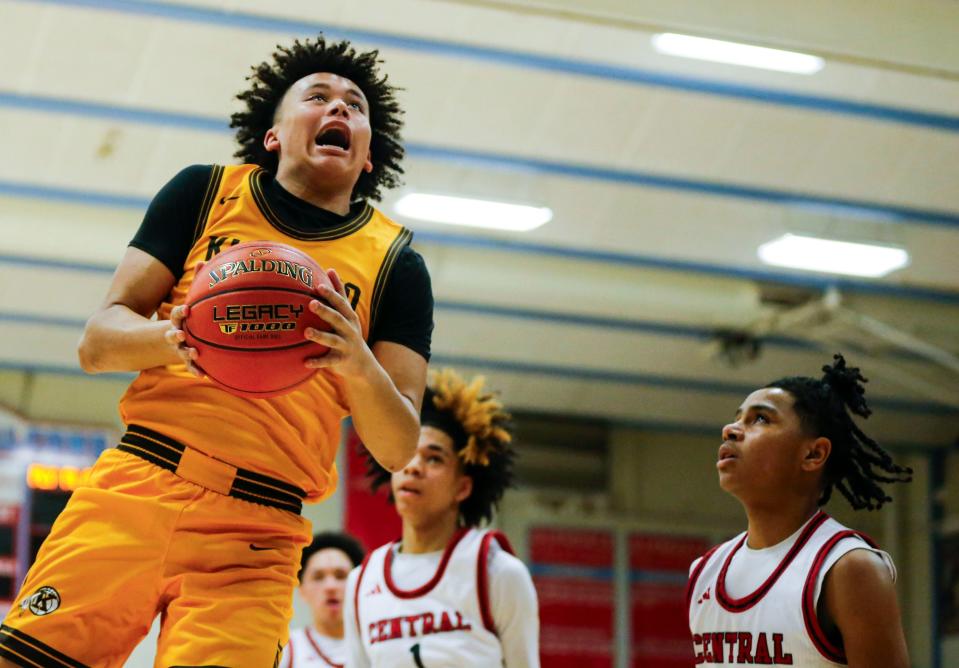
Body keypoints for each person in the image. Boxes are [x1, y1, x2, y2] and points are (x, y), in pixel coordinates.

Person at [0, 36, 432, 668]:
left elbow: (398, 447)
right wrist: (180, 340)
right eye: (317, 97)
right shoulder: (204, 193)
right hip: (139, 483)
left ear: (368, 157)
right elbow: (97, 343)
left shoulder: (398, 265)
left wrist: (358, 363)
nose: (339, 109)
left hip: (258, 529)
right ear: (274, 135)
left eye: (355, 106)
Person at [687, 354, 912, 667]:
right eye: (737, 418)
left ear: (813, 453)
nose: (731, 429)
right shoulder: (704, 572)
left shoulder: (848, 568)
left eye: (761, 419)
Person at [345, 369, 540, 667]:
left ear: (463, 487)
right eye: (408, 454)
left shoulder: (498, 572)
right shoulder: (360, 581)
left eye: (433, 458)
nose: (413, 467)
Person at [282, 532, 366, 667]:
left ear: (360, 584)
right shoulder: (284, 649)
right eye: (318, 577)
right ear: (302, 590)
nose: (330, 586)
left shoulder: (379, 645)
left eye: (341, 576)